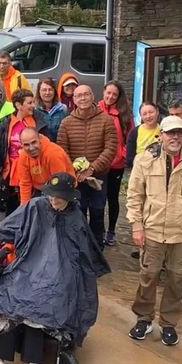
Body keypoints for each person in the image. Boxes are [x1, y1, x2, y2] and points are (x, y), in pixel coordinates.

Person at [0, 172, 109, 364]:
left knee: (41, 303)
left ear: (70, 196)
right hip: (27, 266)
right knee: (10, 295)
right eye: (51, 194)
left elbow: (85, 255)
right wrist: (6, 249)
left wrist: (81, 278)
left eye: (59, 196)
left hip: (61, 275)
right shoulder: (35, 207)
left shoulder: (75, 218)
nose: (53, 199)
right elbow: (10, 229)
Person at [126, 116, 182, 347]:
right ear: (161, 135)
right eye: (170, 133)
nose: (175, 137)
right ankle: (144, 319)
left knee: (177, 279)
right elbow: (134, 195)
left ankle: (168, 324)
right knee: (148, 276)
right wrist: (137, 225)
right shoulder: (145, 159)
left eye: (179, 133)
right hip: (153, 230)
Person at [57, 84, 117, 247]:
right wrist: (74, 170)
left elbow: (111, 148)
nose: (82, 98)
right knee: (77, 213)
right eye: (78, 95)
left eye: (86, 94)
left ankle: (97, 249)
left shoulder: (106, 120)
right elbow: (62, 149)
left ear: (92, 96)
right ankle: (80, 249)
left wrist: (92, 168)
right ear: (74, 99)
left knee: (97, 213)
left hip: (98, 176)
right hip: (76, 178)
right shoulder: (66, 123)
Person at [0, 88, 41, 219]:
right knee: (11, 210)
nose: (33, 106)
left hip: (33, 171)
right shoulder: (5, 124)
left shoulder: (38, 121)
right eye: (29, 103)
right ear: (18, 105)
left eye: (33, 102)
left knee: (31, 208)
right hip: (10, 174)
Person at [99, 81, 134, 246]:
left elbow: (130, 138)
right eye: (108, 93)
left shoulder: (124, 114)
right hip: (99, 163)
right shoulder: (96, 109)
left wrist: (123, 155)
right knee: (98, 198)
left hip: (116, 164)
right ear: (103, 92)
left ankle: (111, 231)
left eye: (114, 94)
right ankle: (99, 230)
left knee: (112, 198)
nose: (111, 96)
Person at [16, 127, 75, 205]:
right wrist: (24, 208)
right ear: (21, 145)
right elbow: (25, 184)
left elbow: (59, 184)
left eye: (34, 142)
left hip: (63, 188)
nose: (31, 148)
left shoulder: (53, 153)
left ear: (39, 139)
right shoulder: (23, 156)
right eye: (26, 145)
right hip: (40, 189)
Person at [126, 101, 161, 167]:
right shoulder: (134, 132)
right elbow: (130, 158)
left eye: (151, 112)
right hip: (140, 168)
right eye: (144, 114)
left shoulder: (164, 130)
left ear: (157, 112)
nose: (148, 116)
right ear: (141, 116)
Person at [34, 77, 68, 142]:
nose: (47, 93)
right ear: (39, 92)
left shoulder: (63, 109)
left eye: (50, 90)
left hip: (58, 145)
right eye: (44, 90)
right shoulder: (34, 109)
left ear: (54, 91)